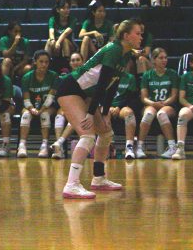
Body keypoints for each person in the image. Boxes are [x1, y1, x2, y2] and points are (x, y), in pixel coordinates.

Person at [56, 19, 142, 198]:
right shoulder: (113, 50)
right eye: (137, 33)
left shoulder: (125, 54)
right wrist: (89, 113)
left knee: (105, 132)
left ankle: (99, 178)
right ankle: (71, 184)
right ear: (126, 36)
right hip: (71, 88)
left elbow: (112, 85)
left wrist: (104, 114)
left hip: (87, 93)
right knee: (87, 135)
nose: (141, 37)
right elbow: (103, 83)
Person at [136, 48, 179, 159]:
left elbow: (174, 95)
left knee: (162, 114)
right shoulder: (147, 75)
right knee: (148, 114)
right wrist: (154, 103)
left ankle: (172, 147)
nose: (164, 60)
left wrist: (164, 103)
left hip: (168, 105)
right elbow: (144, 98)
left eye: (165, 58)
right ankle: (139, 147)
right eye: (161, 58)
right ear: (153, 60)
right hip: (152, 104)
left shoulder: (172, 74)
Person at [18, 50, 59, 158]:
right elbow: (26, 99)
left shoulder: (54, 76)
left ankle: (44, 145)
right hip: (30, 105)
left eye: (46, 62)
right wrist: (32, 109)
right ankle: (22, 145)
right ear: (35, 62)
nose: (44, 64)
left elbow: (51, 97)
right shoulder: (27, 77)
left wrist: (41, 110)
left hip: (47, 106)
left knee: (45, 115)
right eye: (41, 61)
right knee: (26, 115)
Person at [51, 52, 85, 159]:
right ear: (70, 63)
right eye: (73, 60)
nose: (75, 62)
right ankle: (59, 149)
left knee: (73, 116)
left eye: (78, 60)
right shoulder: (66, 78)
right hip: (68, 105)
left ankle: (59, 142)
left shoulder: (87, 76)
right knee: (59, 115)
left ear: (83, 62)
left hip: (83, 106)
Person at [108, 70, 139, 160]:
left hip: (122, 107)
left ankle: (129, 147)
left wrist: (118, 107)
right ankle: (107, 146)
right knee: (103, 113)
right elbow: (102, 95)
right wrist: (109, 107)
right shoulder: (106, 76)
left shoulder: (130, 78)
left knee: (129, 114)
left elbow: (130, 97)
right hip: (107, 106)